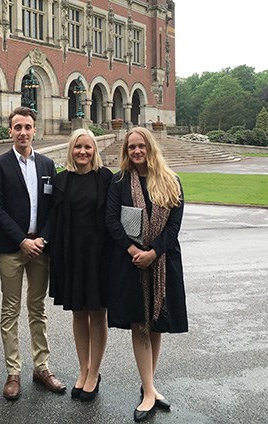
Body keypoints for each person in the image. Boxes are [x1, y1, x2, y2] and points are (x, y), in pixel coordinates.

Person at [105, 127, 188, 422]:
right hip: (131, 263)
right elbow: (112, 221)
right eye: (131, 147)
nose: (136, 151)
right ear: (126, 151)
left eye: (141, 146)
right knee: (140, 323)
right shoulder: (119, 182)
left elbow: (174, 226)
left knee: (156, 324)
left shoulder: (171, 181)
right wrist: (134, 251)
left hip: (162, 261)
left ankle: (148, 387)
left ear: (150, 147)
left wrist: (153, 252)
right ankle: (150, 390)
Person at [0, 106, 66, 400]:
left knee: (38, 309)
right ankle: (13, 372)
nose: (23, 132)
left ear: (35, 130)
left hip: (40, 249)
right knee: (10, 310)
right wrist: (22, 240)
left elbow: (53, 208)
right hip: (12, 249)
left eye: (28, 127)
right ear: (10, 131)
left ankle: (42, 367)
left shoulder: (47, 165)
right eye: (18, 127)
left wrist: (42, 239)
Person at [47, 128, 112, 402]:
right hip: (70, 255)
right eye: (77, 147)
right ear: (71, 150)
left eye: (87, 147)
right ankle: (83, 369)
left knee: (97, 314)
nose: (82, 152)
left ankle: (94, 372)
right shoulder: (61, 182)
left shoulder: (107, 179)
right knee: (77, 313)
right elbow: (52, 219)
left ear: (94, 150)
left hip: (99, 256)